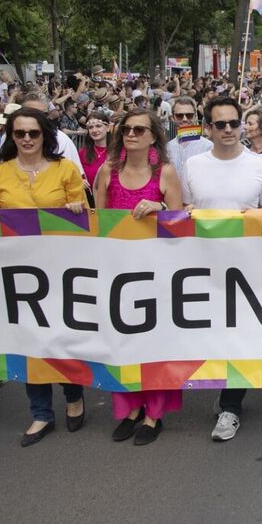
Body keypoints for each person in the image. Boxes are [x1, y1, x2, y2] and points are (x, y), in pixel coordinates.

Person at [0, 108, 88, 446]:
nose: (26, 139)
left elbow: (83, 215)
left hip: (61, 270)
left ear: (45, 136)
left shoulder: (65, 169)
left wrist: (75, 209)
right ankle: (40, 413)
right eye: (20, 133)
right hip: (17, 273)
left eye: (33, 133)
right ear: (11, 136)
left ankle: (73, 397)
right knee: (28, 342)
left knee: (63, 336)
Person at [181, 96, 262, 442]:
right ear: (208, 128)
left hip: (246, 268)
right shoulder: (193, 166)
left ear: (243, 125)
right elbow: (181, 211)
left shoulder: (259, 167)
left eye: (233, 123)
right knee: (209, 335)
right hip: (201, 267)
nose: (227, 130)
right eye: (219, 124)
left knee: (238, 337)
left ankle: (230, 406)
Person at [94, 109, 183, 445]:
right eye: (126, 129)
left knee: (155, 342)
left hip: (156, 272)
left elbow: (179, 221)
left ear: (152, 136)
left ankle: (153, 414)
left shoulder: (166, 173)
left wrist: (159, 209)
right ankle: (130, 407)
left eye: (139, 129)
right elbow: (98, 222)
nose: (131, 134)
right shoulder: (108, 171)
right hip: (118, 271)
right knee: (124, 342)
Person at [19, 92, 84, 178]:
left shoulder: (61, 140)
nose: (38, 118)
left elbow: (75, 177)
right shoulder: (9, 137)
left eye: (43, 114)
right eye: (31, 113)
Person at [166, 96, 213, 183]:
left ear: (195, 116)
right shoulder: (167, 148)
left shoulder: (208, 146)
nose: (185, 119)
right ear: (173, 117)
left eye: (189, 115)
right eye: (179, 116)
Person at [79, 109, 111, 187]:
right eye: (90, 127)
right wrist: (80, 181)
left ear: (108, 128)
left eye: (98, 126)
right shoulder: (82, 153)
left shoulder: (118, 151)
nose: (94, 130)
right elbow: (76, 174)